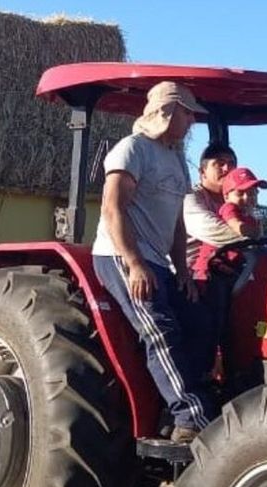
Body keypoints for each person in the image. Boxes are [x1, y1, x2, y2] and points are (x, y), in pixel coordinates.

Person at [91, 81, 213, 443]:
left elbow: (177, 223)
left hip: (159, 261)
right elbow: (113, 208)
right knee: (159, 328)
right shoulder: (132, 150)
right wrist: (134, 263)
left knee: (199, 323)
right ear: (169, 112)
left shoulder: (175, 159)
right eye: (188, 113)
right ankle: (191, 417)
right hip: (121, 255)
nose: (192, 121)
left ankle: (173, 409)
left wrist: (184, 272)